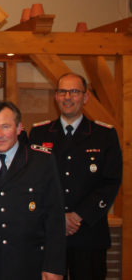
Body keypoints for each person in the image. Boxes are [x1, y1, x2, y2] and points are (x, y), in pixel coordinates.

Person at [29, 73, 122, 280]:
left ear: (85, 97)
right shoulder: (39, 134)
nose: (67, 97)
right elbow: (32, 182)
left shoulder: (104, 135)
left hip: (89, 232)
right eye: (62, 91)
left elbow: (110, 182)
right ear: (56, 96)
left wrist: (77, 215)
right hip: (49, 233)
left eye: (74, 92)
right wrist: (58, 217)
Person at [0, 101, 65, 280]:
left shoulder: (41, 161)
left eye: (5, 127)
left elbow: (55, 218)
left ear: (19, 127)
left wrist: (54, 267)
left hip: (29, 264)